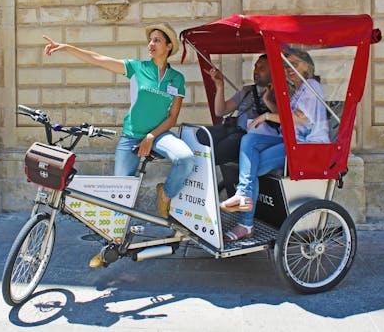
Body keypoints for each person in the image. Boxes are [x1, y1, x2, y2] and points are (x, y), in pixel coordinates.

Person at [43, 23, 195, 265]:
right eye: (150, 40)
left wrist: (151, 137)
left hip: (158, 135)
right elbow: (99, 59)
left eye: (157, 40)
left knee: (186, 159)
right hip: (132, 136)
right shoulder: (137, 68)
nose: (151, 44)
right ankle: (107, 248)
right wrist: (67, 47)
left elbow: (172, 118)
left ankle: (165, 195)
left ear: (168, 46)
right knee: (119, 196)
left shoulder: (176, 78)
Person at [219, 48, 329, 241]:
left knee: (253, 166)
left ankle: (245, 223)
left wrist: (268, 115)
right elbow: (288, 118)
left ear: (308, 66)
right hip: (289, 142)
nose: (289, 69)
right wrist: (268, 101)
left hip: (306, 147)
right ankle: (243, 195)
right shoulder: (298, 91)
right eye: (287, 66)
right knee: (250, 139)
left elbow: (300, 119)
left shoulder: (311, 85)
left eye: (295, 64)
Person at [196, 54, 276, 165]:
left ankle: (208, 173)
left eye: (262, 68)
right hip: (233, 128)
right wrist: (220, 86)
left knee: (222, 149)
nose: (256, 71)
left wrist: (267, 100)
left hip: (249, 135)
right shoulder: (247, 90)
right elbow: (220, 111)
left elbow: (282, 118)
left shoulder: (279, 93)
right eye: (255, 67)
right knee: (202, 134)